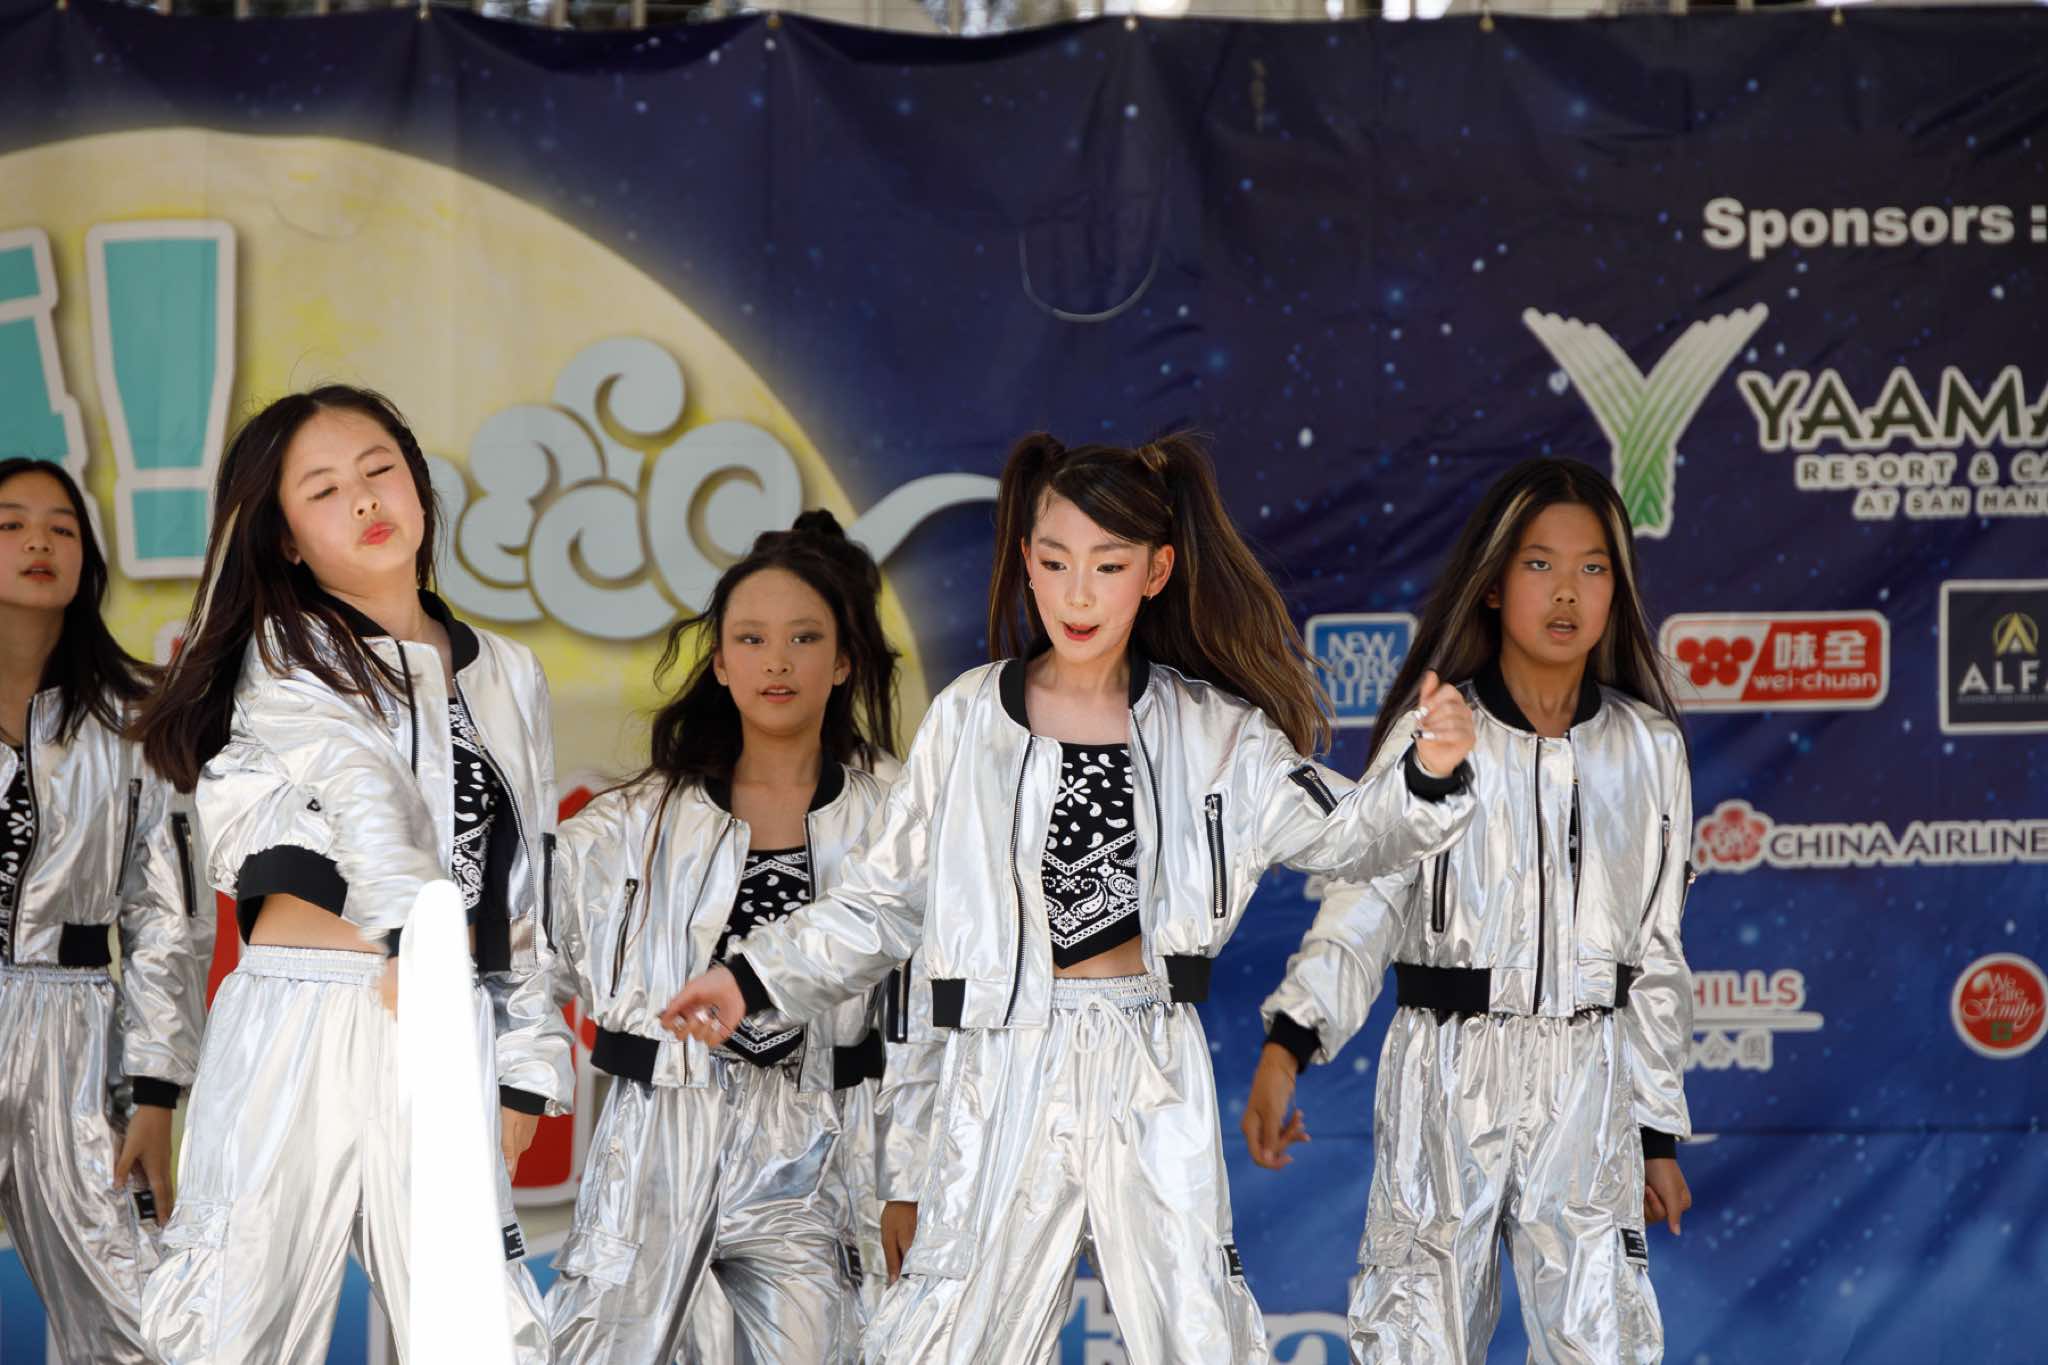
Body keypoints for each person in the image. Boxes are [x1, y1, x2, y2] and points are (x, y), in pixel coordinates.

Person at [662, 433, 1479, 1364]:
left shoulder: (1215, 732)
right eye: (1055, 563)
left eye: (1108, 565)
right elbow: (879, 903)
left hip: (1147, 1058)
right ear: (1026, 562)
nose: (1078, 593)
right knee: (947, 1340)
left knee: (1200, 1335)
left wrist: (1429, 770)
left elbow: (1353, 835)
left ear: (1156, 571)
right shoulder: (969, 717)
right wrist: (749, 978)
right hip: (1001, 1059)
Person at [132, 386, 568, 1363]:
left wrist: (525, 1065)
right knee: (230, 1331)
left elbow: (523, 886)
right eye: (324, 489)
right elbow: (357, 785)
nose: (365, 499)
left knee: (486, 1337)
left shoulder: (507, 672)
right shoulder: (284, 654)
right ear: (285, 538)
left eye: (380, 470)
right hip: (298, 1017)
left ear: (417, 482)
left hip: (444, 1021)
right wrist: (409, 926)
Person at [1244, 456, 1696, 1365]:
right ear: (1492, 584)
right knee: (1417, 1333)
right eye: (1540, 564)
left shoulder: (1647, 749)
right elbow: (1364, 904)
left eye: (1593, 567)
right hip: (1446, 1070)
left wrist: (1655, 1135)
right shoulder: (1439, 736)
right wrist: (1290, 1043)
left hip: (1589, 1078)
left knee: (1605, 1341)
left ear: (1617, 588)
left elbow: (1654, 953)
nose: (1566, 591)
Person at [547, 510, 901, 1363]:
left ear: (843, 660)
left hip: (821, 1145)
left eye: (804, 638)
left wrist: (911, 1176)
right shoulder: (633, 822)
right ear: (719, 661)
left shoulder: (896, 816)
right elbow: (522, 949)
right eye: (750, 638)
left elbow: (933, 1015)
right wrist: (512, 1087)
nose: (776, 661)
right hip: (659, 1132)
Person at [0, 457, 211, 1363]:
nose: (38, 541)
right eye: (10, 523)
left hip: (76, 1040)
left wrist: (154, 1094)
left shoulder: (135, 722)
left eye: (61, 526)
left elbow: (168, 919)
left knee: (139, 1322)